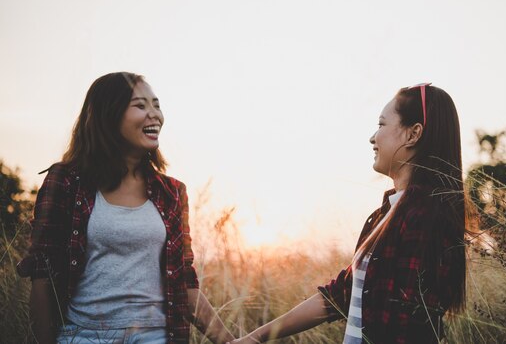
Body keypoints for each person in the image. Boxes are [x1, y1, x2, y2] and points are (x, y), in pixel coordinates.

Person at [229, 83, 468, 344]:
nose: (372, 137)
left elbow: (406, 327)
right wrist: (256, 337)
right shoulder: (385, 216)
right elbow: (340, 295)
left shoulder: (424, 218)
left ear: (413, 134)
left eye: (381, 124)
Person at [17, 72, 235, 344]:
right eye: (140, 106)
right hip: (84, 336)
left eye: (156, 105)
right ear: (109, 114)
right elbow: (43, 274)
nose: (154, 114)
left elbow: (185, 281)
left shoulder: (172, 193)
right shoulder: (67, 181)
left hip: (155, 337)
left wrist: (229, 342)